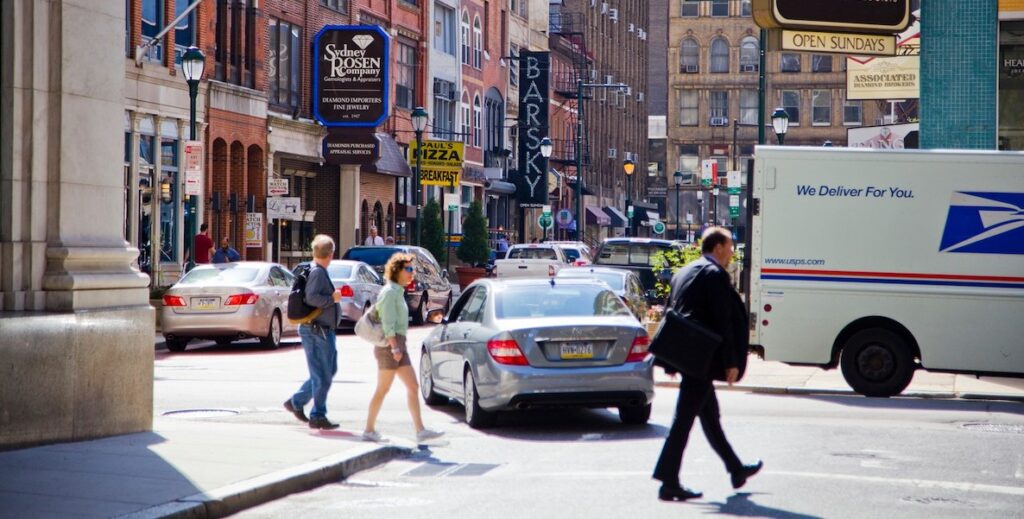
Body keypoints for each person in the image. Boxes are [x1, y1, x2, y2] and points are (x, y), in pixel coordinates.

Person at [652, 226, 762, 501]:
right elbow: (722, 321)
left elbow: (672, 315)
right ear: (718, 248)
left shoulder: (684, 272)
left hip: (690, 358)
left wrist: (671, 361)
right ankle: (668, 481)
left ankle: (735, 469)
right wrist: (730, 363)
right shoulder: (714, 275)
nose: (731, 255)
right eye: (730, 249)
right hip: (702, 360)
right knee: (683, 421)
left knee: (710, 418)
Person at [362, 253, 444, 444]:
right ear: (397, 271)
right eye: (408, 269)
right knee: (383, 389)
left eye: (412, 269)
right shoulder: (390, 293)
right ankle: (368, 430)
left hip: (398, 346)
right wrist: (395, 348)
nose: (412, 273)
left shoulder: (397, 291)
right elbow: (388, 323)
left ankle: (420, 430)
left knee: (413, 386)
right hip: (390, 347)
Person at [285, 235, 342, 430]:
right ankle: (317, 414)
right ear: (331, 254)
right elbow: (312, 298)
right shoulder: (318, 273)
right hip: (318, 330)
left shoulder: (313, 269)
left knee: (327, 371)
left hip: (318, 329)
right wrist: (332, 299)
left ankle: (297, 402)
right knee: (323, 375)